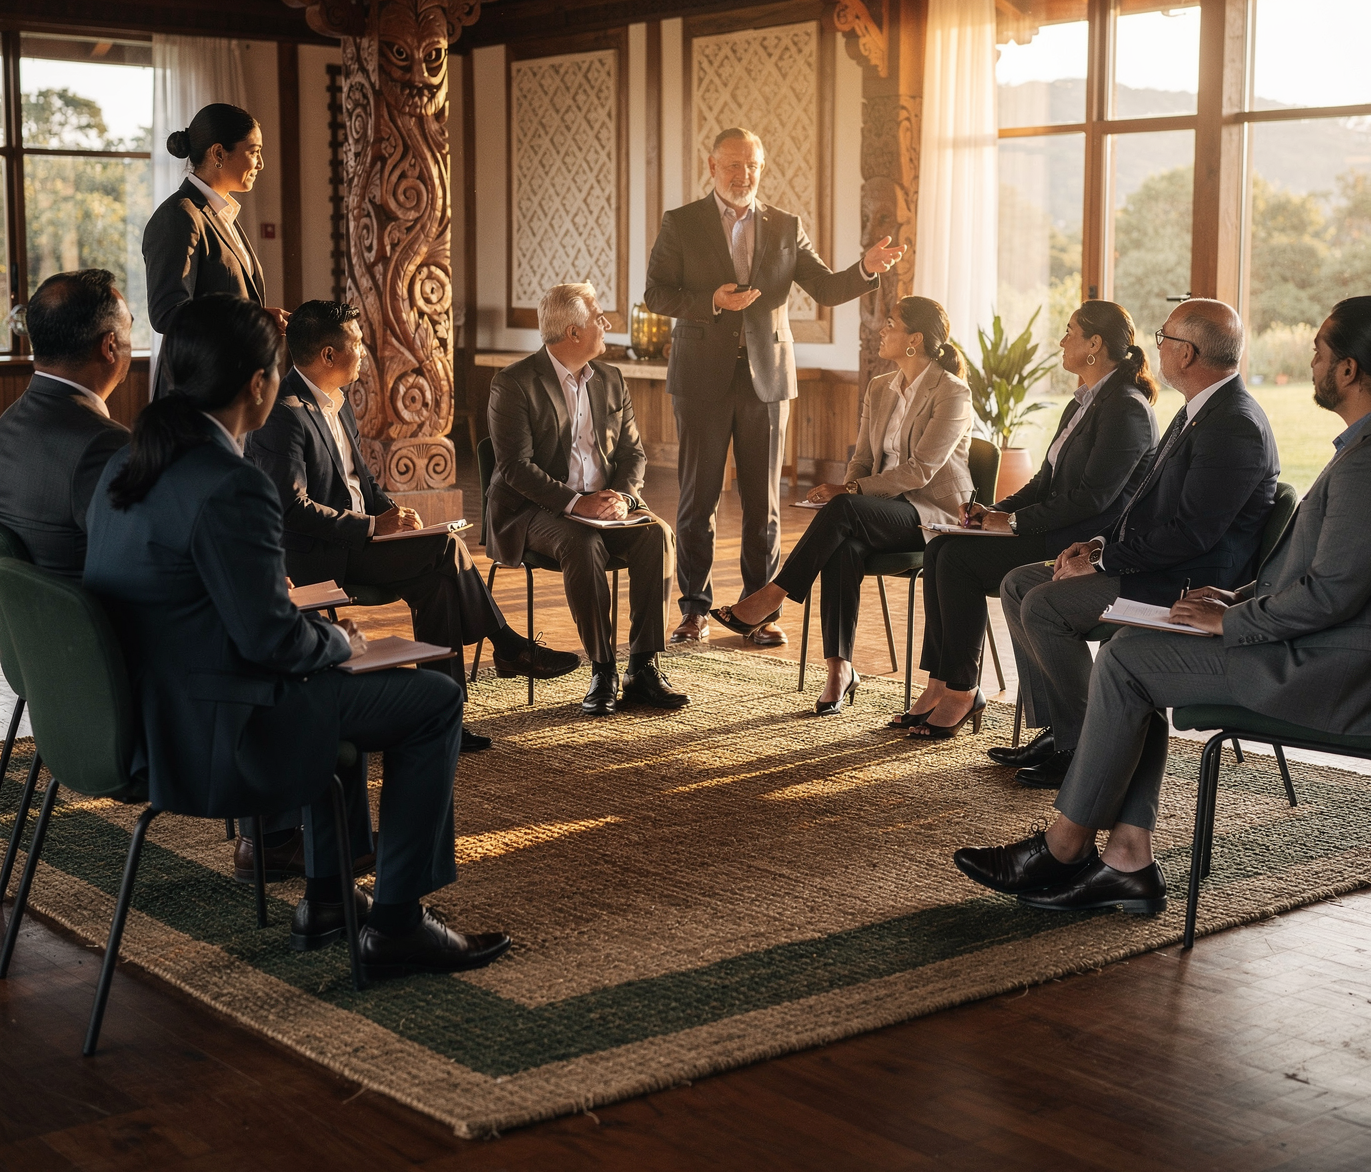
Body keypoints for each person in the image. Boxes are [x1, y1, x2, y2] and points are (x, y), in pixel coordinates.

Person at [955, 296, 1371, 917]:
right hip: (1321, 649)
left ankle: (1067, 845)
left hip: (1334, 674)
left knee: (1128, 664)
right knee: (1132, 655)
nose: (1311, 358)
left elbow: (1331, 595)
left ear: (1348, 370)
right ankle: (1126, 858)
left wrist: (1230, 619)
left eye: (1319, 348)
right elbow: (1332, 576)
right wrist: (1236, 597)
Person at [84, 295, 509, 978]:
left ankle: (332, 900)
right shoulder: (231, 483)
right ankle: (398, 922)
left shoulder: (123, 466)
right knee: (432, 701)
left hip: (151, 726)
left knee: (330, 680)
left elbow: (184, 595)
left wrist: (286, 620)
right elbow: (274, 646)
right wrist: (343, 644)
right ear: (258, 386)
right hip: (231, 737)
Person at [247, 299, 578, 749]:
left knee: (438, 580)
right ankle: (505, 645)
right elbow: (290, 509)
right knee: (443, 553)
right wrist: (371, 528)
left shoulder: (339, 403)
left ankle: (443, 721)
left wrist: (392, 516)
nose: (365, 352)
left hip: (359, 541)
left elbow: (362, 483)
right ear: (328, 355)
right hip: (318, 555)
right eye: (357, 343)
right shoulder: (283, 413)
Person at [997, 299, 1278, 790]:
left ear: (1187, 354)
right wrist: (1096, 544)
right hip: (1158, 563)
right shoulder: (1201, 409)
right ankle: (1066, 732)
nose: (1158, 348)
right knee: (1019, 582)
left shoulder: (1233, 424)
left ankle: (1089, 747)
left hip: (1190, 585)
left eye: (1164, 338)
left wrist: (1105, 560)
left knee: (1044, 606)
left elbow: (1193, 534)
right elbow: (1148, 506)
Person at [645, 127, 906, 649]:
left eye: (753, 166)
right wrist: (711, 300)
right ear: (712, 166)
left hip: (767, 379)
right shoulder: (682, 223)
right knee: (698, 499)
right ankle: (693, 609)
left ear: (762, 168)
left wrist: (866, 270)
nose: (744, 175)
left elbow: (827, 287)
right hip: (701, 380)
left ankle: (755, 610)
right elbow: (655, 293)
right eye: (734, 165)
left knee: (763, 501)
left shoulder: (787, 226)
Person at [899, 301, 1160, 744]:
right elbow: (1046, 481)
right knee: (942, 547)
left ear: (1094, 344)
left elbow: (1093, 498)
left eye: (1070, 331)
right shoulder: (1084, 402)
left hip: (1077, 543)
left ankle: (962, 690)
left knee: (956, 558)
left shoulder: (1127, 408)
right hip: (1052, 529)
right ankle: (941, 684)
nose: (1061, 341)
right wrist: (992, 513)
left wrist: (1015, 524)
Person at [712, 297, 972, 716]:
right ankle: (839, 669)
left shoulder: (952, 392)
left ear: (915, 339)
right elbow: (863, 459)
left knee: (844, 512)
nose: (881, 331)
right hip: (877, 511)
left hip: (930, 514)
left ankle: (771, 596)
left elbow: (920, 471)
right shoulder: (878, 387)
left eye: (890, 324)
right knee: (841, 545)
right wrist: (851, 484)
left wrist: (849, 489)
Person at [486, 283, 684, 717]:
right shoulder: (514, 383)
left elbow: (634, 453)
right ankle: (604, 668)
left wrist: (625, 499)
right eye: (599, 318)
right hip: (534, 510)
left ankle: (643, 668)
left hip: (605, 505)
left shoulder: (611, 379)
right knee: (583, 542)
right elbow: (516, 468)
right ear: (573, 332)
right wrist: (578, 504)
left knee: (658, 535)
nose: (606, 325)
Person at [143, 102, 289, 398]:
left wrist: (257, 316)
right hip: (199, 396)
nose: (260, 163)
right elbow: (168, 313)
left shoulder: (222, 215)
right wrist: (249, 318)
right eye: (254, 151)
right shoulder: (180, 216)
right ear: (219, 153)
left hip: (232, 389)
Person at [0, 270, 132, 578]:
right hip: (100, 622)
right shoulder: (107, 444)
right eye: (129, 330)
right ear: (109, 345)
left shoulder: (7, 422)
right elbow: (143, 560)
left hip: (23, 622)